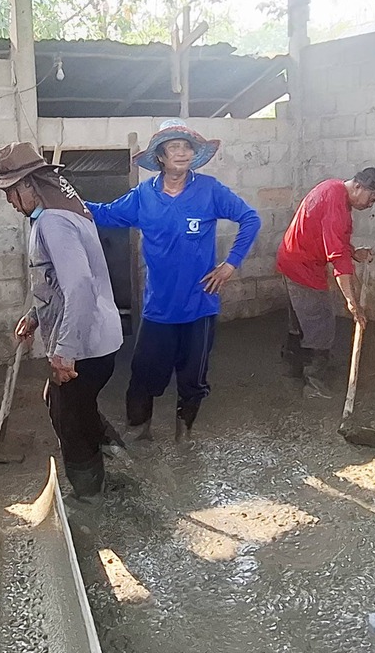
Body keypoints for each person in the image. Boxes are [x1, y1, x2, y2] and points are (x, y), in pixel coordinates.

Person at [86, 119, 261, 441]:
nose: (181, 153)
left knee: (194, 378)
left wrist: (230, 264)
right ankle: (139, 431)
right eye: (173, 147)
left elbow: (250, 218)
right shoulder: (144, 195)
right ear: (161, 157)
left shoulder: (209, 190)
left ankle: (184, 434)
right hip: (160, 308)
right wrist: (65, 202)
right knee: (143, 375)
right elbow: (105, 213)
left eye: (186, 147)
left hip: (200, 305)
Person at [0, 141, 124, 497]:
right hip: (95, 338)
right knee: (66, 403)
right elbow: (58, 283)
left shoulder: (54, 222)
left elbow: (79, 286)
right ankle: (116, 455)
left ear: (31, 184)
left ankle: (89, 496)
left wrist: (65, 352)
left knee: (69, 420)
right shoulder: (62, 214)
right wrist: (34, 315)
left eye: (11, 191)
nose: (9, 200)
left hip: (85, 343)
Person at [275, 167, 375, 395]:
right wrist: (352, 302)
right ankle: (314, 383)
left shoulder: (333, 189)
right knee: (321, 324)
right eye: (372, 199)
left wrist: (353, 252)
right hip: (303, 267)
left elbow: (332, 237)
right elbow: (337, 258)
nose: (370, 205)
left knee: (300, 320)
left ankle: (291, 371)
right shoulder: (336, 203)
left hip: (293, 259)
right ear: (358, 186)